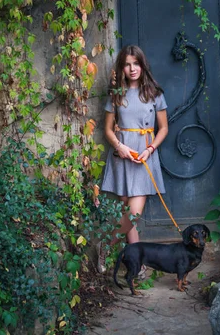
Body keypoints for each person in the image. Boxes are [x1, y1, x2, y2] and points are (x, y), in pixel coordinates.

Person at [96, 45, 169, 275]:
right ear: (122, 68)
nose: (132, 68)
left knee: (133, 214)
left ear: (142, 64)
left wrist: (150, 149)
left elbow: (164, 128)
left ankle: (105, 247)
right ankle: (138, 267)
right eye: (127, 64)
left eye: (135, 63)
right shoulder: (116, 95)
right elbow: (107, 130)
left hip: (144, 156)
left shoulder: (154, 93)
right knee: (129, 217)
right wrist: (120, 147)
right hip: (122, 156)